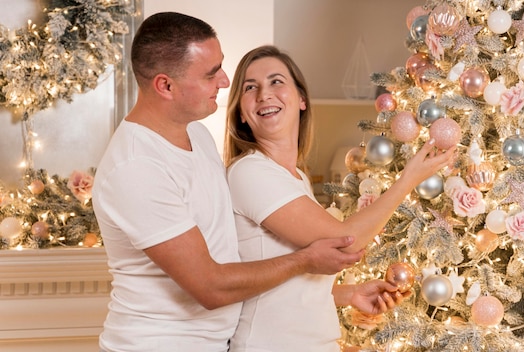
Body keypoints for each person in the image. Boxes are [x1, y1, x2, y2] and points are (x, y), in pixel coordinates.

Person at [91, 13, 366, 352]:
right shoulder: (135, 167)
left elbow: (240, 261)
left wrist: (342, 294)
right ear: (165, 86)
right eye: (211, 74)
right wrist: (305, 260)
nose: (224, 81)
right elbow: (210, 287)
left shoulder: (197, 134)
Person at [223, 45, 457, 352]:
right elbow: (345, 239)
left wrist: (350, 294)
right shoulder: (250, 171)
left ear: (302, 99)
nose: (264, 94)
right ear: (241, 111)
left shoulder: (295, 177)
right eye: (250, 88)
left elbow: (286, 283)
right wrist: (408, 180)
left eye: (276, 81)